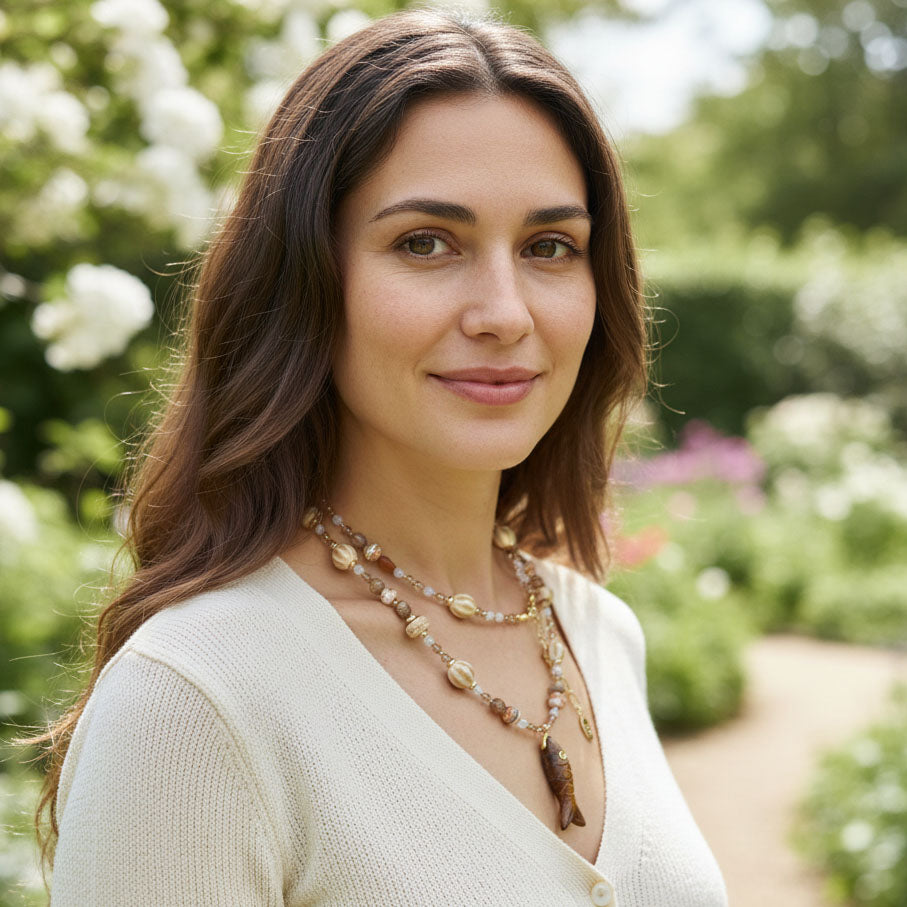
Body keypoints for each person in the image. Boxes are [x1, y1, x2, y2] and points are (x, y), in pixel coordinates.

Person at [27, 8, 728, 905]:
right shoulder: (199, 700)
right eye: (425, 242)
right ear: (304, 282)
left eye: (550, 246)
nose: (504, 312)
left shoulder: (598, 634)